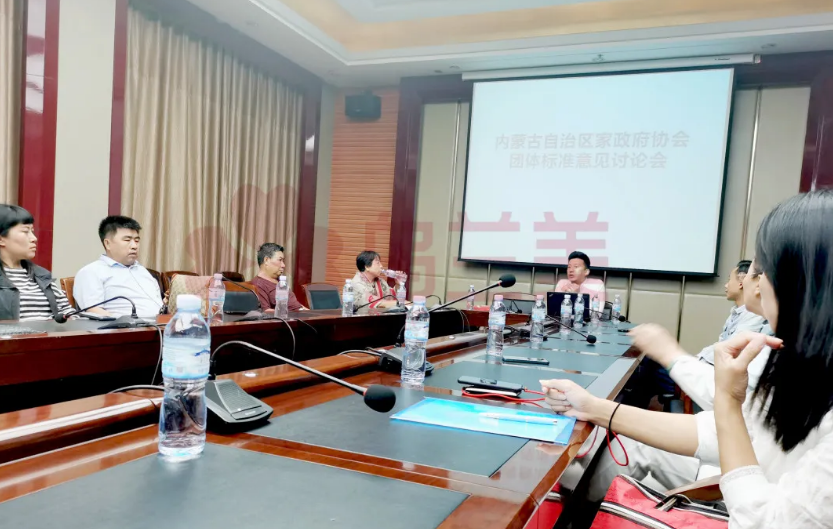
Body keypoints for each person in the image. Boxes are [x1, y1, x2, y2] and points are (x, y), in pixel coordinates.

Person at [542, 190, 833, 527]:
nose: (757, 283)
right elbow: (716, 432)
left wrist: (725, 402)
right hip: (740, 486)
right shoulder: (795, 359)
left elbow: (764, 520)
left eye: (764, 271)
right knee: (615, 451)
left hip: (737, 504)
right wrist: (592, 407)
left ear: (802, 284)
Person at [73, 216, 163, 318]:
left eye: (137, 241)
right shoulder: (91, 272)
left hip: (163, 324)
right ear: (108, 244)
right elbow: (94, 311)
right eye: (127, 240)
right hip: (127, 326)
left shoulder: (142, 271)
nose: (134, 246)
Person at [0, 205, 74, 321]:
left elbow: (69, 314)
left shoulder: (41, 275)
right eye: (25, 231)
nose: (34, 238)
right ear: (1, 239)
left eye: (32, 231)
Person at [697, 259, 765, 365]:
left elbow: (731, 350)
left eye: (729, 280)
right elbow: (721, 344)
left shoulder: (754, 314)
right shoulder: (736, 313)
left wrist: (698, 361)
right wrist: (699, 358)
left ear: (741, 283)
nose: (726, 285)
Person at [251, 243, 306, 312]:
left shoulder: (280, 281)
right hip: (289, 318)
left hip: (302, 315)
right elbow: (266, 312)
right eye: (280, 260)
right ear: (266, 260)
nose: (283, 265)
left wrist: (309, 312)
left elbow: (296, 306)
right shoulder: (258, 284)